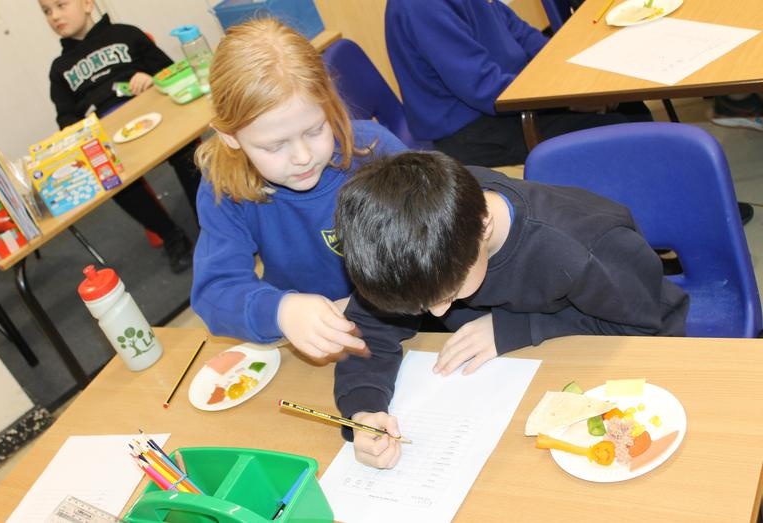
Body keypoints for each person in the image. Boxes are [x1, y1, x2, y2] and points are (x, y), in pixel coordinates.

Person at [332, 151, 689, 468]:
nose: (438, 314)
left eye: (451, 294)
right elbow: (368, 329)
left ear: (484, 227)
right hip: (512, 379)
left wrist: (516, 327)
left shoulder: (583, 247)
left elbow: (640, 326)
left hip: (633, 351)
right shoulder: (421, 238)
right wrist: (363, 410)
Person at [190, 19, 408, 360]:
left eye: (315, 130)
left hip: (411, 320)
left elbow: (454, 214)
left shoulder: (373, 149)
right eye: (275, 146)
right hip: (322, 346)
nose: (303, 156)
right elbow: (214, 292)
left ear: (328, 103)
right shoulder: (225, 186)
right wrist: (281, 311)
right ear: (230, 137)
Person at [384, 0, 653, 167]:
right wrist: (570, 99)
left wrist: (572, 71)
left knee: (632, 109)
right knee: (619, 128)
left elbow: (521, 33)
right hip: (473, 129)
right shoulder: (421, 6)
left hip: (511, 97)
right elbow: (485, 89)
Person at [39, 0, 199, 273]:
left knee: (187, 151)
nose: (54, 15)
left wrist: (151, 79)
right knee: (109, 177)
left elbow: (169, 70)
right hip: (110, 137)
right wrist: (82, 127)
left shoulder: (126, 33)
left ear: (87, 4)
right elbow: (65, 119)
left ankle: (209, 222)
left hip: (155, 115)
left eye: (61, 5)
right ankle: (170, 235)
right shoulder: (59, 69)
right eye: (46, 11)